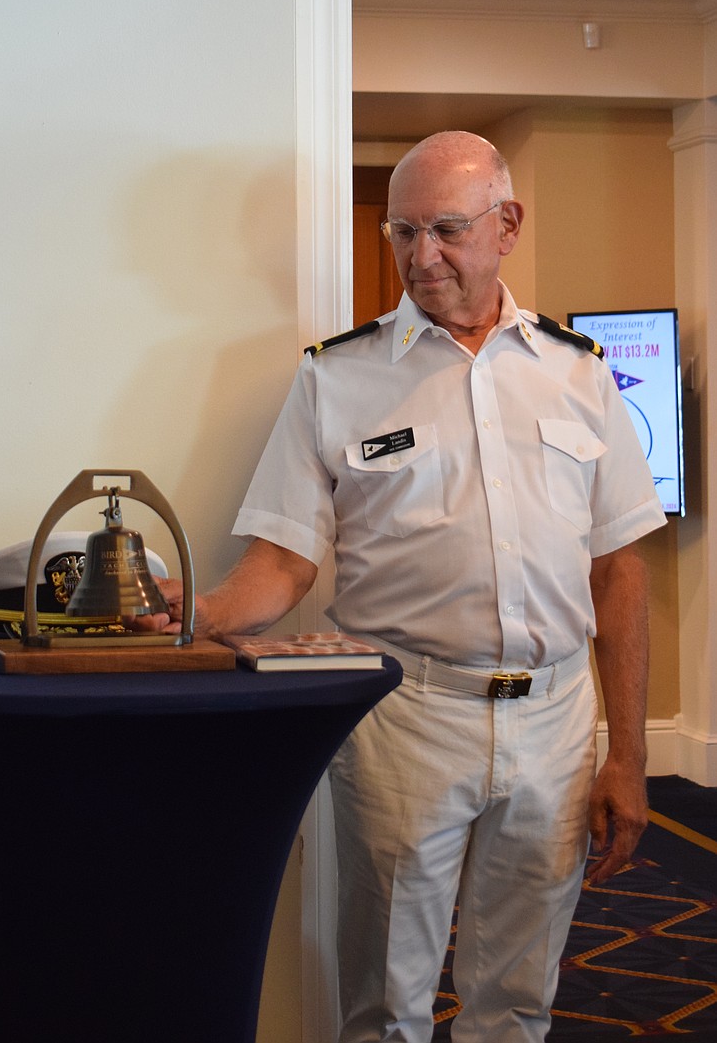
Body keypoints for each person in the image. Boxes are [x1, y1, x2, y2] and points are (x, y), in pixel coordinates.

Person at [138, 131, 667, 1042]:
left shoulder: (579, 373)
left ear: (508, 225)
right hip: (405, 721)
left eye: (448, 229)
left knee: (519, 1002)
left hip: (555, 720)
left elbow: (619, 568)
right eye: (404, 232)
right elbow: (287, 559)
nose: (423, 256)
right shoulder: (337, 378)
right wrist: (204, 614)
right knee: (386, 1006)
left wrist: (628, 751)